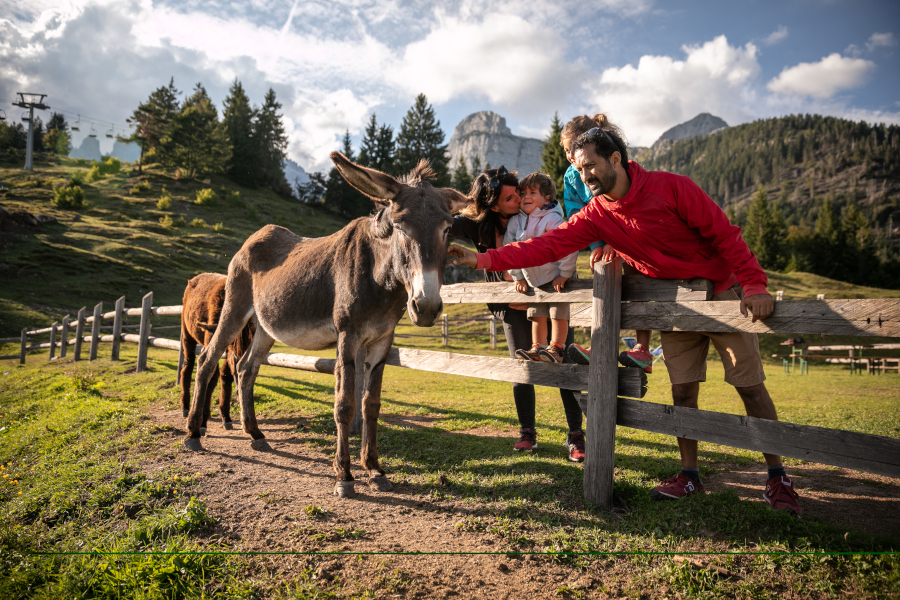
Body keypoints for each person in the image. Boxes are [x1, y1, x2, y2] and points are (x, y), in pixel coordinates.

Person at [447, 118, 802, 516]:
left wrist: (753, 284)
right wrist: (482, 258)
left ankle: (777, 477)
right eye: (579, 169)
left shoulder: (673, 187)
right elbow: (545, 246)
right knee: (683, 390)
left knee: (749, 386)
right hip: (675, 304)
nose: (585, 176)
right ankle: (690, 475)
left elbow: (725, 234)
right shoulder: (598, 214)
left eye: (591, 166)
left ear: (616, 158)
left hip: (721, 292)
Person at [450, 166, 586, 462]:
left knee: (565, 364)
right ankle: (527, 431)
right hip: (512, 306)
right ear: (494, 204)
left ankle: (576, 433)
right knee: (521, 366)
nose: (519, 199)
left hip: (550, 298)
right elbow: (447, 224)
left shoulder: (537, 216)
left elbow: (561, 241)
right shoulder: (481, 224)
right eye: (512, 196)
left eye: (522, 193)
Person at [559, 115, 655, 373]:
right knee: (602, 286)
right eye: (566, 151)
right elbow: (577, 212)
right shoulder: (571, 176)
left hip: (630, 238)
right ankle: (600, 344)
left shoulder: (615, 164)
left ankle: (643, 349)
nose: (569, 155)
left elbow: (623, 206)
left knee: (638, 286)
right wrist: (597, 245)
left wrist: (617, 242)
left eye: (572, 148)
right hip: (602, 242)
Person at [505, 172, 577, 363]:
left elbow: (567, 245)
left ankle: (557, 348)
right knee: (536, 315)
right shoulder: (515, 222)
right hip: (533, 280)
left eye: (533, 192)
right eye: (524, 193)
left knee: (557, 313)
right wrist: (518, 276)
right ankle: (538, 347)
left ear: (547, 199)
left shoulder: (552, 220)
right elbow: (510, 250)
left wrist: (565, 273)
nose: (526, 196)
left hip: (555, 278)